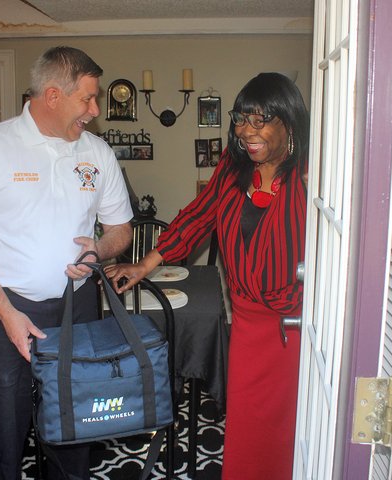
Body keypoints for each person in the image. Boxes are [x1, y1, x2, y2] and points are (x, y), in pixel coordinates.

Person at [105, 72, 309, 480]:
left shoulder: (311, 177)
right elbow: (197, 217)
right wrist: (143, 265)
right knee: (247, 424)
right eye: (241, 119)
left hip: (293, 329)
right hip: (247, 325)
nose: (246, 131)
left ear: (288, 122)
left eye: (260, 119)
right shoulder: (233, 170)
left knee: (287, 430)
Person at [0, 46, 133, 480]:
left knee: (73, 420)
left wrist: (99, 249)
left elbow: (121, 230)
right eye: (87, 98)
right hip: (3, 308)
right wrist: (6, 312)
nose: (95, 110)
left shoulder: (97, 152)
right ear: (52, 96)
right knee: (3, 424)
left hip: (76, 307)